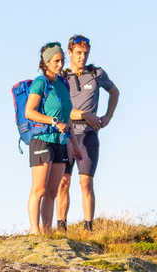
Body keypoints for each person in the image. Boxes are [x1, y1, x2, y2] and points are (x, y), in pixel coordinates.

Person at [56, 34, 119, 231]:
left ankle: (88, 227)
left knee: (86, 182)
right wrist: (84, 115)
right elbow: (59, 110)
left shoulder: (96, 74)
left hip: (88, 136)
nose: (82, 57)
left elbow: (115, 92)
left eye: (85, 53)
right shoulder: (61, 77)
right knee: (63, 181)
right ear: (70, 53)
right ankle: (61, 227)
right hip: (66, 135)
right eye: (78, 53)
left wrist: (108, 116)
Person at [24, 42, 86, 234]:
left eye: (61, 60)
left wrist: (75, 146)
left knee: (53, 191)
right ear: (47, 62)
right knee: (39, 189)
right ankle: (35, 230)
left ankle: (47, 231)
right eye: (56, 61)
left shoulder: (62, 84)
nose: (60, 64)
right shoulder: (40, 82)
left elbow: (67, 118)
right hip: (42, 139)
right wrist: (52, 121)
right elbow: (29, 112)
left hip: (60, 142)